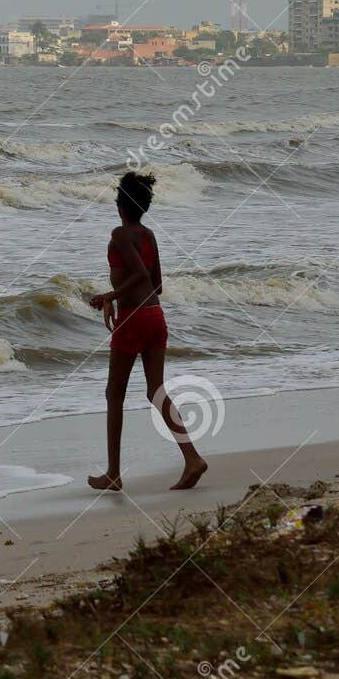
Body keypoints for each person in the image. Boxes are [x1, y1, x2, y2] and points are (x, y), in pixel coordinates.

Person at [86, 171, 208, 492]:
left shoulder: (120, 234)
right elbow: (157, 284)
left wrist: (111, 297)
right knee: (157, 391)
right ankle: (192, 458)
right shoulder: (150, 235)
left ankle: (113, 472)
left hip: (134, 319)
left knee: (114, 394)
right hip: (155, 316)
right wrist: (119, 297)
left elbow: (140, 273)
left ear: (120, 205)